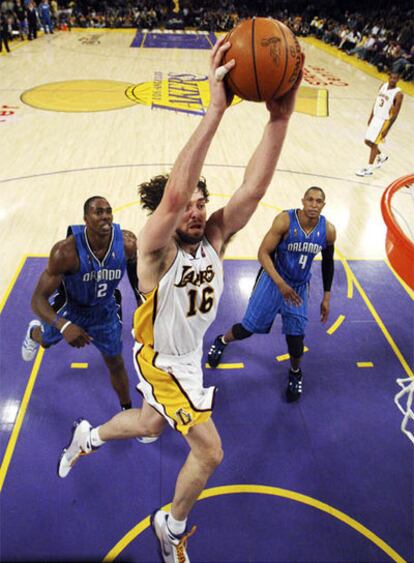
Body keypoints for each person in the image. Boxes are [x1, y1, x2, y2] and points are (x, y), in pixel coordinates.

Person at [56, 37, 303, 562]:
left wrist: (278, 120)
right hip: (163, 361)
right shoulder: (153, 250)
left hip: (184, 358)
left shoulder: (214, 238)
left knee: (149, 423)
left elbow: (253, 193)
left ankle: (90, 435)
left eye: (201, 203)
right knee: (211, 451)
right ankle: (170, 526)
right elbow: (172, 196)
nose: (195, 210)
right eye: (187, 204)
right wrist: (216, 109)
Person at [208, 187, 336, 402]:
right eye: (310, 200)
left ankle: (295, 373)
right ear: (302, 201)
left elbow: (329, 263)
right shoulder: (285, 221)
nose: (314, 205)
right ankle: (221, 340)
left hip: (298, 287)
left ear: (324, 205)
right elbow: (263, 253)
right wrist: (280, 283)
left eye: (319, 201)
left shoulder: (328, 231)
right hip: (272, 280)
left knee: (296, 338)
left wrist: (326, 296)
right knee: (247, 329)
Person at [21, 196, 138, 411]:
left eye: (108, 211)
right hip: (71, 308)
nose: (105, 216)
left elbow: (137, 278)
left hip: (104, 310)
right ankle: (33, 333)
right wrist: (63, 325)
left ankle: (127, 409)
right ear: (85, 219)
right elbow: (37, 299)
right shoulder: (65, 252)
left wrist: (143, 306)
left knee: (115, 361)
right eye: (98, 212)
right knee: (46, 341)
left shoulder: (128, 244)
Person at [356, 72, 404, 177]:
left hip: (384, 121)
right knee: (367, 141)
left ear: (398, 80)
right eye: (391, 78)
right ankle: (381, 156)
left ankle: (369, 169)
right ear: (388, 77)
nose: (392, 80)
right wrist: (371, 116)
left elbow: (395, 114)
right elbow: (376, 102)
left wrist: (387, 129)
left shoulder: (398, 94)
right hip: (376, 117)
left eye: (395, 78)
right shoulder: (383, 86)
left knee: (374, 144)